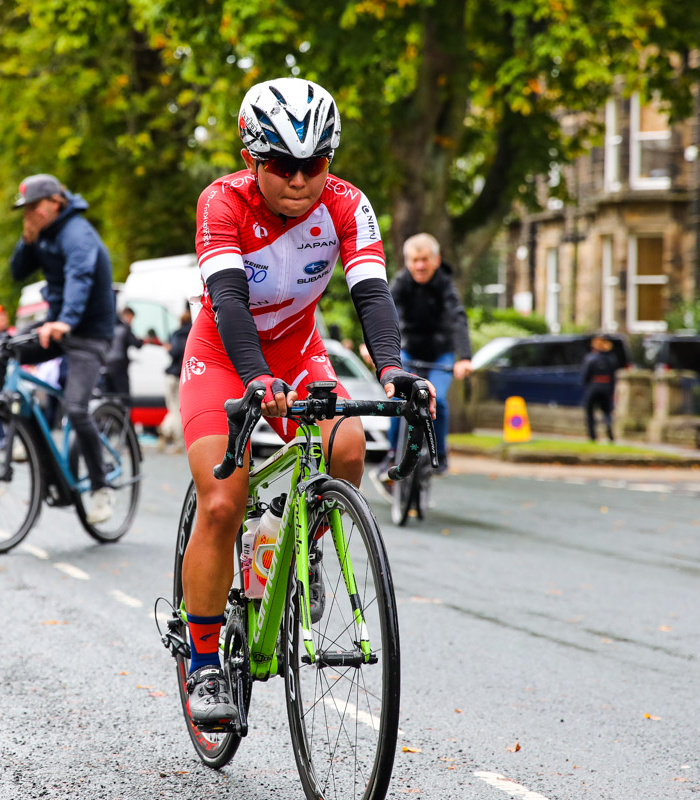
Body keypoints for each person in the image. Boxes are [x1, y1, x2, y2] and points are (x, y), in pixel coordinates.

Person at [177, 78, 433, 726]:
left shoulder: (348, 206)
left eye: (313, 164)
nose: (298, 179)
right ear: (251, 160)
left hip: (298, 351)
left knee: (347, 444)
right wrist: (257, 381)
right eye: (282, 165)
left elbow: (372, 296)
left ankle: (300, 541)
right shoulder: (221, 203)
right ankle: (205, 663)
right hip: (224, 356)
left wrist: (394, 369)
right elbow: (229, 303)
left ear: (330, 161)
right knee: (222, 498)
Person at [0, 173, 117, 524]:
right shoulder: (43, 236)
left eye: (35, 206)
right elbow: (17, 272)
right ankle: (21, 431)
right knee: (0, 352)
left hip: (88, 333)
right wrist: (26, 240)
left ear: (56, 202)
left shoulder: (78, 233)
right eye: (25, 208)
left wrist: (66, 320)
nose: (30, 212)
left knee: (76, 409)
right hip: (58, 326)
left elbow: (81, 277)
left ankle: (100, 488)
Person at [384, 232, 473, 474]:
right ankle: (392, 452)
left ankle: (440, 454)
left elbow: (457, 319)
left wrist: (464, 357)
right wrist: (372, 347)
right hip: (409, 351)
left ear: (436, 260)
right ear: (407, 262)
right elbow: (383, 312)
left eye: (425, 259)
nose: (420, 265)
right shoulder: (401, 282)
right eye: (414, 260)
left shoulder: (444, 284)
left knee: (439, 401)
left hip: (440, 355)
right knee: (396, 400)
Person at [158, 308, 193, 452]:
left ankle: (168, 433)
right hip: (185, 376)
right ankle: (166, 432)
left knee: (174, 409)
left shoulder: (176, 334)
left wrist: (169, 348)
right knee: (178, 409)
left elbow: (175, 352)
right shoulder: (194, 333)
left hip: (172, 376)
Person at [581, 335, 617, 443]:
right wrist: (611, 391)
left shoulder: (590, 358)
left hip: (593, 387)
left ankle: (592, 436)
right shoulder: (611, 359)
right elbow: (613, 377)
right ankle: (609, 428)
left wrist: (586, 387)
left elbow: (585, 376)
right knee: (606, 412)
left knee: (590, 412)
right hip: (606, 387)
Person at [103, 306, 142, 398]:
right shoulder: (125, 328)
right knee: (123, 395)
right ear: (127, 315)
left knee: (109, 396)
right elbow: (137, 344)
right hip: (119, 366)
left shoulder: (110, 326)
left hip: (107, 364)